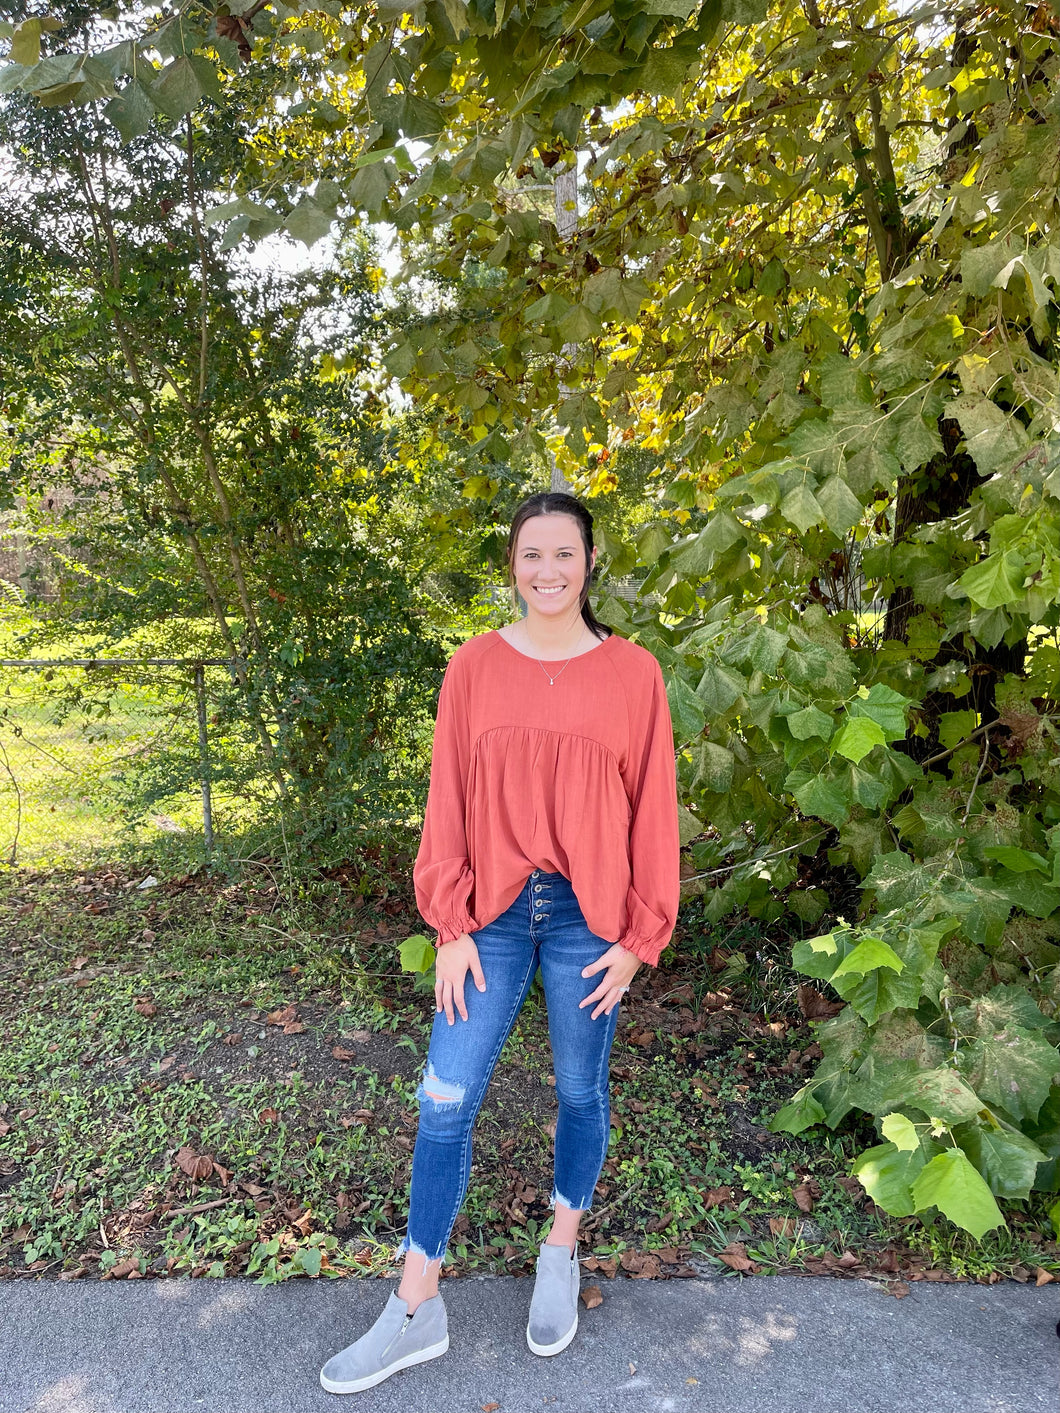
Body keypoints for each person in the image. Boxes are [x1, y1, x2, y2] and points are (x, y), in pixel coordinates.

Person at [319, 490, 680, 1395]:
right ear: (511, 564)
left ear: (591, 562)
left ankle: (560, 1248)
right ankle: (415, 1306)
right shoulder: (473, 667)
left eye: (565, 553)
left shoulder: (635, 673)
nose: (548, 571)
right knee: (444, 1098)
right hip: (490, 915)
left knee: (578, 1087)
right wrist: (447, 924)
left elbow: (653, 813)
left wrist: (640, 936)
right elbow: (447, 796)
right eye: (531, 554)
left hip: (592, 919)